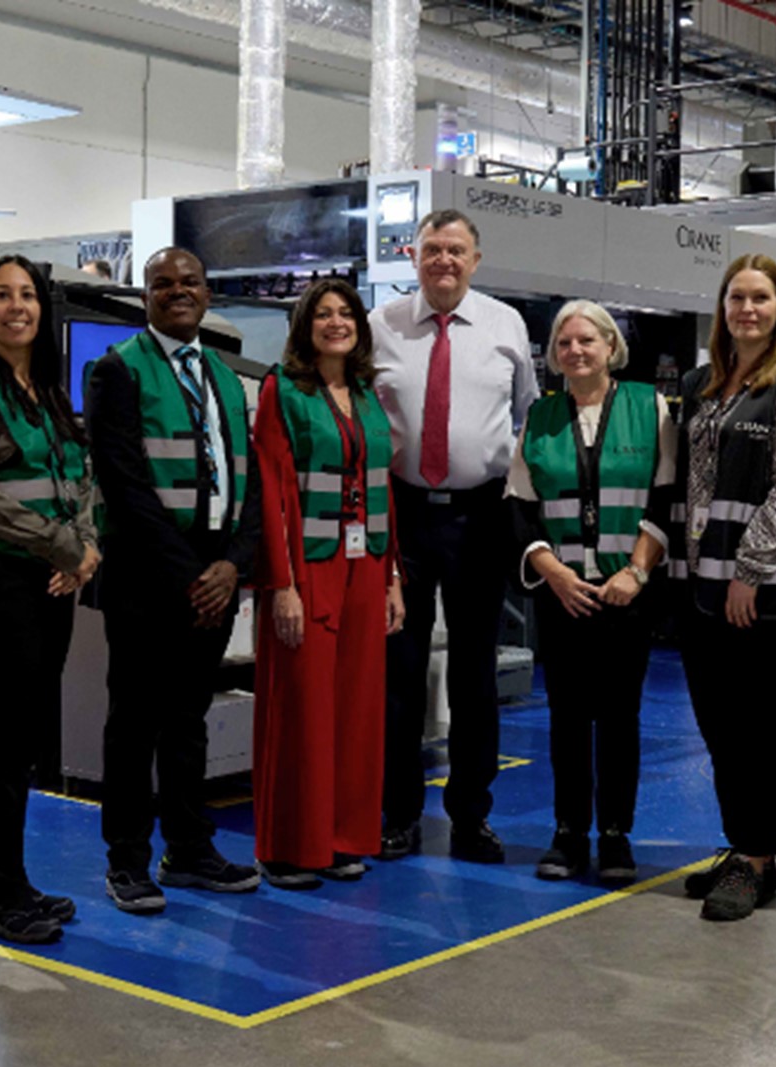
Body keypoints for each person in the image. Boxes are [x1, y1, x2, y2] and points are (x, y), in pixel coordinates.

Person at [85, 246, 262, 913]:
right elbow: (125, 485)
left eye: (188, 282)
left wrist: (233, 564)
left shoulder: (221, 374)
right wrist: (194, 575)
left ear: (206, 292)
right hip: (146, 575)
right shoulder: (116, 372)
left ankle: (189, 848)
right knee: (134, 723)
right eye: (162, 284)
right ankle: (126, 860)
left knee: (188, 719)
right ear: (145, 297)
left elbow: (246, 481)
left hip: (214, 573)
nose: (177, 292)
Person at [0, 256, 101, 943]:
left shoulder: (50, 392)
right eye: (2, 296)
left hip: (49, 579)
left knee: (26, 737)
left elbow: (81, 479)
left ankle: (15, 880)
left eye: (27, 295)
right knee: (2, 740)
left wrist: (82, 549)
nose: (16, 307)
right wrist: (62, 547)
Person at [371, 209, 538, 863]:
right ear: (413, 256)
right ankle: (398, 815)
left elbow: (525, 415)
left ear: (475, 258)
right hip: (402, 517)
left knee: (473, 677)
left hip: (479, 517)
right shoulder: (380, 326)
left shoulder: (505, 326)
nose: (443, 260)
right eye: (432, 249)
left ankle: (470, 817)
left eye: (456, 250)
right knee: (399, 676)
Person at [673, 253, 776, 922]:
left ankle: (757, 861)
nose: (747, 309)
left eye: (760, 298)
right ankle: (740, 846)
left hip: (764, 593)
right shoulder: (700, 383)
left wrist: (748, 571)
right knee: (718, 728)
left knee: (759, 729)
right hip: (700, 589)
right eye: (737, 297)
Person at [507, 301, 676, 883]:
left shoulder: (647, 406)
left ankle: (615, 835)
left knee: (620, 717)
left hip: (624, 593)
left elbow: (664, 499)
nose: (574, 351)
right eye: (563, 344)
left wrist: (637, 571)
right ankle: (569, 834)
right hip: (562, 594)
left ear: (610, 347)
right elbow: (521, 509)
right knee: (567, 718)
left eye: (586, 341)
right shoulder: (541, 415)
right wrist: (551, 570)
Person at [251, 278, 406, 888]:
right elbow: (272, 489)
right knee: (303, 705)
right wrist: (280, 584)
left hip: (364, 566)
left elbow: (383, 486)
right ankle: (289, 846)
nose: (336, 323)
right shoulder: (281, 389)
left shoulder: (366, 393)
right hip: (306, 569)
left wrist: (392, 576)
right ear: (304, 325)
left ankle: (340, 836)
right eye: (323, 314)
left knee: (355, 708)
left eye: (346, 313)